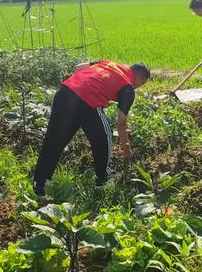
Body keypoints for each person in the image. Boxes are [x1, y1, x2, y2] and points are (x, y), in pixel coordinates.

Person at [33, 60, 150, 196]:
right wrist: (126, 148)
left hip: (65, 93)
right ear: (139, 78)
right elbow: (121, 123)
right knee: (104, 138)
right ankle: (102, 181)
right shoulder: (128, 88)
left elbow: (78, 68)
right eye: (142, 84)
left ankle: (39, 187)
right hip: (88, 102)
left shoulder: (108, 63)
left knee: (53, 141)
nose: (139, 87)